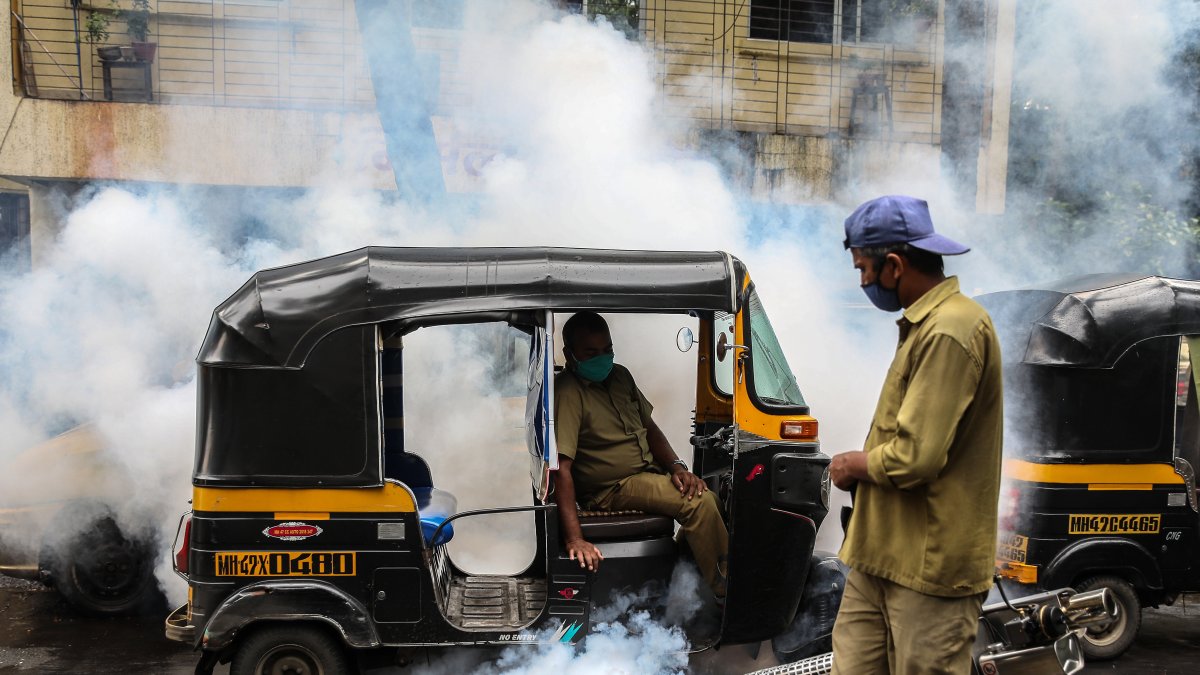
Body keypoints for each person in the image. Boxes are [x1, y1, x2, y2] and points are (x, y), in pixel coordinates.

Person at [829, 195, 1003, 674]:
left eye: (863, 269)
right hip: (879, 554)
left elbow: (915, 458)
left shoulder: (952, 329)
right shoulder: (923, 325)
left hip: (928, 568)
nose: (862, 281)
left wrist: (853, 464)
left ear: (894, 265)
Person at [552, 311, 728, 600]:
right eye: (591, 353)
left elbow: (650, 429)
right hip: (611, 489)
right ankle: (726, 595)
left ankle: (686, 582)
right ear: (569, 354)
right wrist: (575, 539)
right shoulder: (568, 392)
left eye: (607, 349)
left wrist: (678, 467)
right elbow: (561, 468)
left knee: (711, 499)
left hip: (646, 474)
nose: (602, 358)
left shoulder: (620, 376)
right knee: (700, 504)